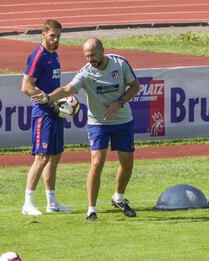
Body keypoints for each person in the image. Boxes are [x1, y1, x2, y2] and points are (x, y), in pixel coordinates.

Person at [32, 38, 140, 221]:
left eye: (93, 55)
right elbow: (67, 88)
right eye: (87, 56)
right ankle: (91, 210)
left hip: (123, 120)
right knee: (97, 162)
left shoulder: (119, 63)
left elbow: (135, 87)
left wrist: (119, 103)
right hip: (97, 123)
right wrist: (48, 97)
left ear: (102, 51)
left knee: (127, 163)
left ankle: (119, 198)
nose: (90, 59)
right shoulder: (86, 73)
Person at [21, 19, 73, 215]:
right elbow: (26, 86)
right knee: (41, 157)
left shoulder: (54, 55)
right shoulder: (38, 56)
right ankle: (28, 203)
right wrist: (45, 99)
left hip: (55, 110)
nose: (56, 39)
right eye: (52, 35)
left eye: (58, 35)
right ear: (43, 35)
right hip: (43, 112)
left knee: (55, 156)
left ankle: (52, 203)